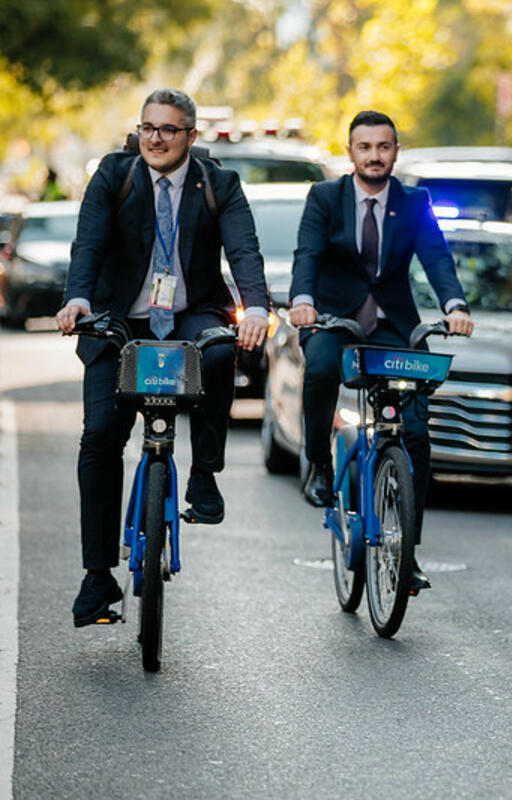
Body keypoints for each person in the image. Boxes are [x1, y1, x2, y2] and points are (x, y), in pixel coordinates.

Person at [57, 88, 271, 627]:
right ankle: (97, 577)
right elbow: (88, 244)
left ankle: (204, 474)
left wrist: (256, 308)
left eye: (169, 129)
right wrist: (77, 298)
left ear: (191, 136)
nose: (156, 138)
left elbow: (244, 249)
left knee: (219, 350)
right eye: (148, 128)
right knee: (100, 437)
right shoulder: (114, 175)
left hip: (190, 312)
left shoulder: (219, 183)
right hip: (117, 317)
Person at [289, 110, 473, 592]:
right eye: (365, 147)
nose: (375, 155)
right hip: (334, 318)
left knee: (416, 434)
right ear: (350, 152)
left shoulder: (414, 202)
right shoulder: (325, 197)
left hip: (393, 325)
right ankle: (319, 464)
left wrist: (454, 305)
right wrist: (303, 300)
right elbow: (308, 253)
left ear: (396, 151)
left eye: (383, 147)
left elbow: (436, 256)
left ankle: (407, 552)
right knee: (321, 368)